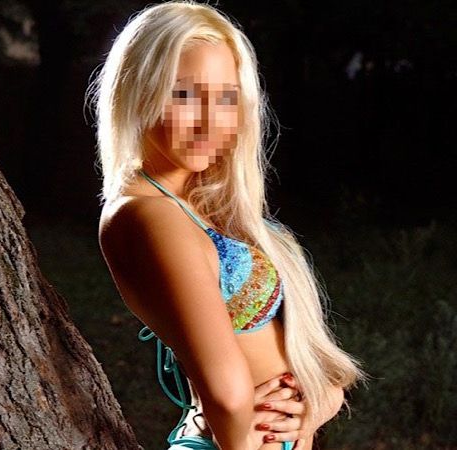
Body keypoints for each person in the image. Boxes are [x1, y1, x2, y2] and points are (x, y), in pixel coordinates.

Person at [87, 1, 369, 449]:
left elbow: (297, 354)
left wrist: (321, 401)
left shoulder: (196, 203)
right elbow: (228, 394)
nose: (209, 122)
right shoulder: (150, 213)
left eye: (226, 97)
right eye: (184, 95)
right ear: (138, 91)